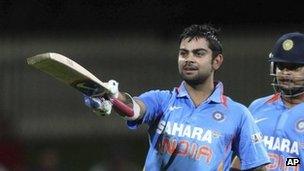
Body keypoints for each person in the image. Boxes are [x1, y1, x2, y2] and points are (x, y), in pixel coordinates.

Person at [84, 24, 270, 170]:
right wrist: (113, 97)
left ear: (217, 61)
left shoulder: (238, 114)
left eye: (199, 53)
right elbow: (134, 108)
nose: (189, 59)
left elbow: (257, 165)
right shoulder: (162, 100)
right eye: (183, 53)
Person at [232, 32, 304, 170]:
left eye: (294, 67)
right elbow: (244, 158)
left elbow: (296, 162)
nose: (285, 73)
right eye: (281, 66)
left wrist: (286, 162)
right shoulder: (257, 107)